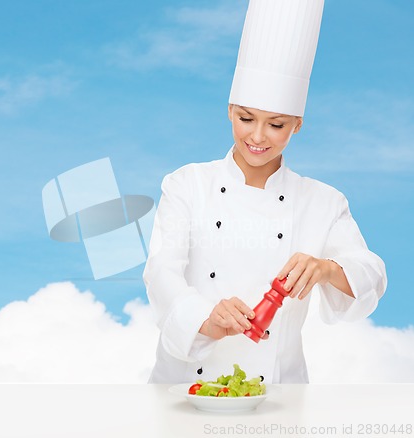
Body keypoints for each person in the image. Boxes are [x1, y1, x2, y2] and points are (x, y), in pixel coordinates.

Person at [143, 0, 387, 384]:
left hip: (278, 392)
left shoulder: (323, 201)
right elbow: (160, 271)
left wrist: (325, 269)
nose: (257, 137)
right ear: (229, 110)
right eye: (245, 118)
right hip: (184, 385)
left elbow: (371, 275)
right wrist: (203, 318)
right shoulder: (186, 184)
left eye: (276, 124)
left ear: (297, 125)